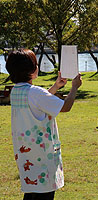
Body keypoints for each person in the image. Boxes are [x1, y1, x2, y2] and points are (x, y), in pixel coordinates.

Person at [6, 49, 82, 200]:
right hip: (43, 156)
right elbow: (65, 107)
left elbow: (38, 103)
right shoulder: (35, 92)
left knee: (32, 192)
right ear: (33, 69)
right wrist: (74, 87)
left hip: (26, 155)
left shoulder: (17, 91)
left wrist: (55, 87)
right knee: (44, 194)